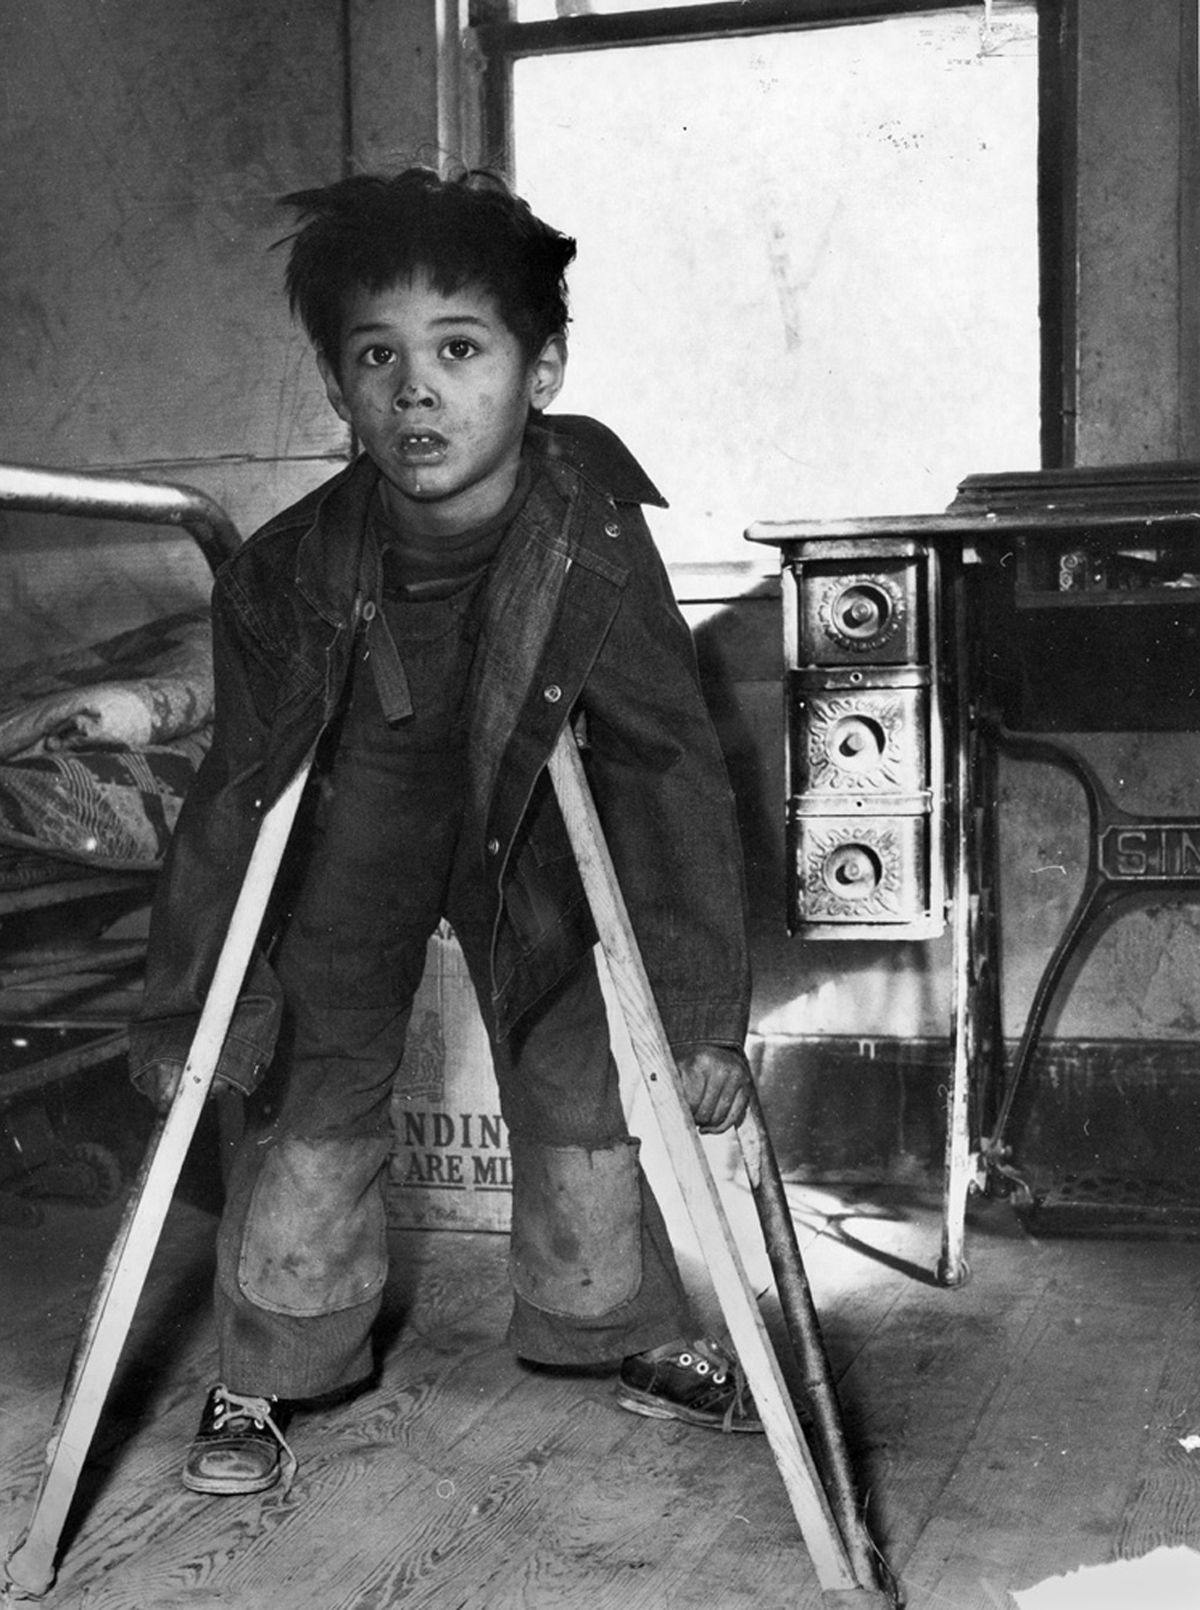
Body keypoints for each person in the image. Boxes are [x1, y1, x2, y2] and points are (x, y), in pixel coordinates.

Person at [129, 166, 760, 1498]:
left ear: (542, 370)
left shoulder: (594, 541)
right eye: (378, 357)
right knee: (319, 1076)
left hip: (528, 797)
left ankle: (606, 1318)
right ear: (339, 384)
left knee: (572, 1068)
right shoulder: (278, 573)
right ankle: (276, 1353)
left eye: (460, 349)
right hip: (359, 791)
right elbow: (234, 800)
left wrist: (705, 1013)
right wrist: (199, 1004)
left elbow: (668, 768)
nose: (417, 390)